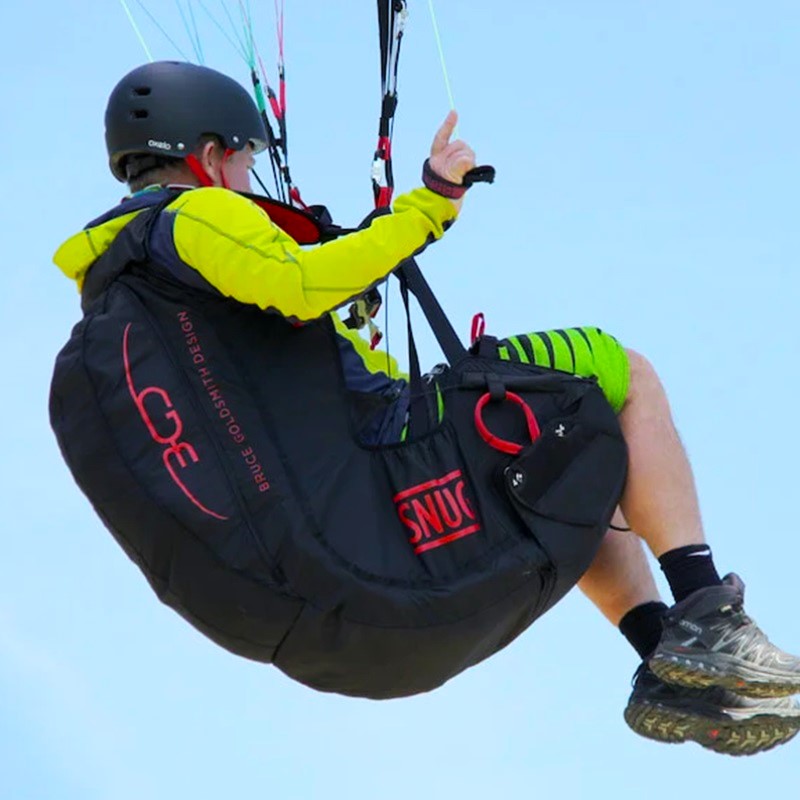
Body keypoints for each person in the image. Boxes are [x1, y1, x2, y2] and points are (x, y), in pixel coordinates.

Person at [52, 61, 800, 755]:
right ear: (212, 157)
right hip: (378, 497)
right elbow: (303, 285)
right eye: (247, 162)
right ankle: (707, 612)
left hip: (322, 621)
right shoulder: (196, 216)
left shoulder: (136, 303)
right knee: (620, 373)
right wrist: (431, 205)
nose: (249, 180)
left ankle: (666, 661)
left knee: (561, 453)